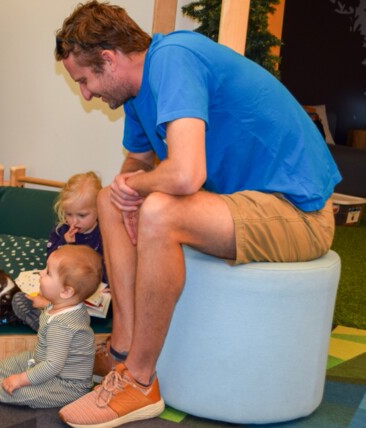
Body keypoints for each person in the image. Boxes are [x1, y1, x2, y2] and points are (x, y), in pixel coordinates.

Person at [54, 1, 341, 427]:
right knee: (109, 201)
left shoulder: (174, 58)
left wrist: (138, 190)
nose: (87, 93)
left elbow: (188, 173)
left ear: (109, 60)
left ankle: (139, 380)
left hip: (300, 212)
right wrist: (129, 188)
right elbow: (135, 166)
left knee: (161, 211)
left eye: (85, 79)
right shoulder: (136, 96)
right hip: (244, 204)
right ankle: (122, 348)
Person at [0, 245, 102, 408]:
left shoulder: (62, 327)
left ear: (66, 292)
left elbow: (52, 366)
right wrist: (46, 304)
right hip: (47, 364)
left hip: (66, 386)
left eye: (48, 272)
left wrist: (21, 379)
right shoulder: (68, 305)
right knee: (24, 358)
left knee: (24, 391)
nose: (41, 273)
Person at [12, 171, 106, 331]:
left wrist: (106, 287)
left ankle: (48, 317)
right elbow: (50, 260)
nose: (74, 221)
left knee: (101, 301)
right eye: (69, 214)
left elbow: (108, 266)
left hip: (86, 291)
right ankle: (43, 315)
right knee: (21, 296)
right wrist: (64, 244)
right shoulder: (61, 230)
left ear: (98, 209)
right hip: (59, 288)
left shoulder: (105, 234)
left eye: (82, 215)